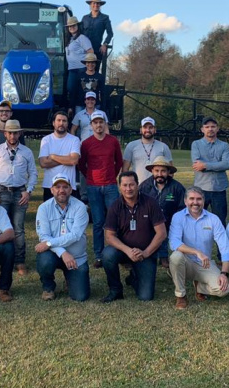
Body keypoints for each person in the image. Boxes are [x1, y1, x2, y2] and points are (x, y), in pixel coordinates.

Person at [101, 171, 167, 303]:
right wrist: (128, 251)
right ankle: (115, 290)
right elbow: (109, 236)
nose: (128, 189)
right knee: (107, 254)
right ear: (119, 187)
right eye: (124, 185)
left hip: (146, 252)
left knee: (146, 297)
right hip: (123, 251)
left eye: (131, 185)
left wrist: (145, 252)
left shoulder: (150, 203)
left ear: (137, 185)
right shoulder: (115, 206)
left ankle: (134, 278)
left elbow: (162, 233)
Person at [0, 119, 37, 275]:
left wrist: (29, 191)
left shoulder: (26, 152)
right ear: (5, 133)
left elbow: (33, 173)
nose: (13, 136)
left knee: (19, 229)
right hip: (1, 192)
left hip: (20, 192)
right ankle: (0, 261)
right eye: (10, 133)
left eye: (15, 133)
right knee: (1, 228)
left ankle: (20, 261)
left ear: (19, 133)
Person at [168, 188, 229, 309]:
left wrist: (224, 273)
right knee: (175, 257)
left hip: (205, 264)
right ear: (185, 201)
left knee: (222, 290)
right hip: (185, 261)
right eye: (191, 199)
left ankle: (199, 286)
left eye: (199, 199)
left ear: (204, 201)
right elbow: (174, 243)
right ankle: (181, 295)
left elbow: (225, 247)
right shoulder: (178, 217)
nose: (195, 202)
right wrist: (197, 252)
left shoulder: (213, 219)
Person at [78, 110, 123, 268]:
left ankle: (117, 252)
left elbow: (119, 162)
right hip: (93, 187)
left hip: (110, 186)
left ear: (105, 124)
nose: (98, 125)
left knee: (115, 220)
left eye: (101, 122)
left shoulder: (113, 141)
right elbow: (81, 164)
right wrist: (90, 176)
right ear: (91, 125)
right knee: (98, 222)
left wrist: (112, 176)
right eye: (95, 122)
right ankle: (99, 255)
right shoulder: (86, 143)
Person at [35, 175, 90, 302]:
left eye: (65, 187)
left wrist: (49, 243)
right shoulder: (43, 208)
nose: (61, 190)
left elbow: (75, 235)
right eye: (58, 187)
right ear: (52, 189)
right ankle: (48, 287)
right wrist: (63, 252)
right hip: (53, 254)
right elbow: (44, 236)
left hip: (76, 257)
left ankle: (69, 279)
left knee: (80, 297)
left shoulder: (80, 207)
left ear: (71, 189)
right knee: (44, 260)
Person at [138, 156, 186, 269]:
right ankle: (149, 256)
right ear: (152, 171)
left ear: (169, 172)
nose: (160, 174)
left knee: (165, 229)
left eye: (163, 171)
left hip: (170, 221)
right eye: (157, 171)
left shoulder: (177, 188)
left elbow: (182, 207)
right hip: (148, 222)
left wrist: (175, 219)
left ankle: (164, 256)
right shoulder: (144, 187)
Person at [191, 117, 229, 225]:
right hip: (201, 188)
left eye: (213, 126)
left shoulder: (224, 145)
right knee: (197, 219)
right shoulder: (196, 144)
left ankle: (221, 242)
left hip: (219, 188)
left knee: (220, 221)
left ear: (217, 129)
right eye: (207, 127)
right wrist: (218, 165)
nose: (210, 129)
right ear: (202, 129)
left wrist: (205, 165)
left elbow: (227, 164)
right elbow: (197, 165)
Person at [38, 111, 82, 202]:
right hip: (50, 186)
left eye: (64, 121)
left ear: (67, 124)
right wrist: (66, 159)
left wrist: (53, 156)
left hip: (68, 186)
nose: (61, 123)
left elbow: (73, 161)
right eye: (59, 120)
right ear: (53, 123)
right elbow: (43, 163)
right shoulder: (46, 140)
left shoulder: (74, 140)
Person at [122, 117, 172, 184]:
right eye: (145, 127)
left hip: (157, 187)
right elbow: (125, 169)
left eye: (150, 127)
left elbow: (170, 171)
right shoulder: (131, 146)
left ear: (155, 130)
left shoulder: (163, 147)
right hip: (138, 187)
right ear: (140, 130)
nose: (148, 130)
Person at [64, 16, 93, 111]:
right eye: (69, 26)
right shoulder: (69, 39)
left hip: (81, 68)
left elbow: (90, 51)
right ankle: (72, 109)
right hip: (72, 68)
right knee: (71, 89)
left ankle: (81, 110)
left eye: (73, 25)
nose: (71, 27)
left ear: (77, 26)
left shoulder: (82, 38)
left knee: (81, 90)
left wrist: (88, 66)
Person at [80, 0, 114, 69]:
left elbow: (110, 33)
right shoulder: (84, 18)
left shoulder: (105, 18)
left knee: (94, 74)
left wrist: (105, 44)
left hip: (96, 50)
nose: (96, 5)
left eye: (98, 3)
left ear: (100, 5)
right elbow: (80, 33)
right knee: (82, 74)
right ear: (90, 4)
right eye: (94, 3)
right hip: (84, 51)